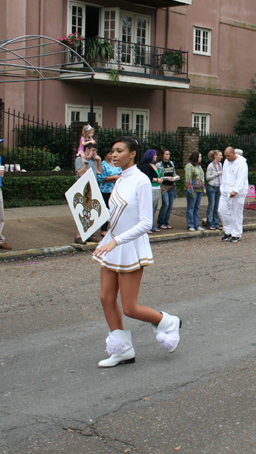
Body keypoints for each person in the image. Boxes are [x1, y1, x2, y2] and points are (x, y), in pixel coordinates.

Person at [92, 136, 181, 368]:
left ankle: (168, 322)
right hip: (113, 244)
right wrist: (95, 227)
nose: (114, 155)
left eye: (119, 151)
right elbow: (116, 214)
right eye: (112, 151)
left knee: (130, 308)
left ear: (132, 154)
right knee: (106, 298)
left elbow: (145, 223)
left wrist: (116, 241)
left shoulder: (141, 180)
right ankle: (122, 350)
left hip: (129, 246)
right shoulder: (120, 178)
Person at [74, 142, 104, 243]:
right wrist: (86, 161)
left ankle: (89, 234)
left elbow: (100, 172)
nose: (94, 153)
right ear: (87, 149)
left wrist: (98, 160)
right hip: (83, 188)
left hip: (93, 187)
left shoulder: (94, 160)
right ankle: (79, 236)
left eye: (95, 151)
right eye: (92, 150)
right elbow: (80, 173)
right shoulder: (79, 159)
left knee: (91, 211)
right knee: (82, 211)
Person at [218, 147, 248, 242]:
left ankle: (236, 233)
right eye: (225, 156)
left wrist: (236, 190)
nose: (226, 158)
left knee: (236, 213)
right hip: (226, 191)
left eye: (228, 155)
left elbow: (241, 178)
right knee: (221, 210)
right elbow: (224, 176)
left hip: (237, 193)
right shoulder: (226, 162)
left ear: (234, 153)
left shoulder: (242, 163)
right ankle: (228, 230)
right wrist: (222, 187)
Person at [97, 147, 121, 237]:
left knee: (116, 208)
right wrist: (113, 178)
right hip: (106, 190)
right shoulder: (103, 164)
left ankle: (115, 227)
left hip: (116, 189)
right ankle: (104, 229)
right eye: (110, 153)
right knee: (106, 209)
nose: (112, 155)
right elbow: (101, 178)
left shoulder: (115, 163)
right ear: (105, 155)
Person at [138, 149, 160, 233]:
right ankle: (147, 227)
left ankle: (152, 225)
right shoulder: (145, 166)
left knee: (154, 208)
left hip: (157, 188)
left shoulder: (154, 165)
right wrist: (156, 180)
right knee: (149, 208)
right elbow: (147, 177)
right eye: (155, 155)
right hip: (150, 188)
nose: (156, 156)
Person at [156, 149, 178, 230]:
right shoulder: (159, 164)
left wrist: (176, 177)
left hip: (171, 186)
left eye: (169, 154)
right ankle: (161, 222)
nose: (168, 156)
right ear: (162, 155)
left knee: (170, 205)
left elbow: (174, 173)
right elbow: (158, 176)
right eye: (166, 154)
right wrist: (166, 178)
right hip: (163, 187)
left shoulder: (171, 163)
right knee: (166, 203)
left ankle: (166, 221)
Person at [184, 151, 205, 232]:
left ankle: (197, 225)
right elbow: (188, 179)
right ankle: (190, 225)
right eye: (199, 157)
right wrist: (191, 191)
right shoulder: (189, 166)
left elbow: (201, 178)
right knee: (191, 208)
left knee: (197, 208)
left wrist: (203, 187)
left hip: (199, 189)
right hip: (193, 190)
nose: (200, 158)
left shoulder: (199, 166)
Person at [205, 149, 223, 230]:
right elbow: (208, 177)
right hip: (212, 187)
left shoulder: (220, 164)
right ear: (215, 156)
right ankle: (209, 223)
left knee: (217, 206)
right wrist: (217, 173)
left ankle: (216, 223)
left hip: (218, 187)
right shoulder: (210, 166)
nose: (221, 157)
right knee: (211, 206)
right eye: (220, 155)